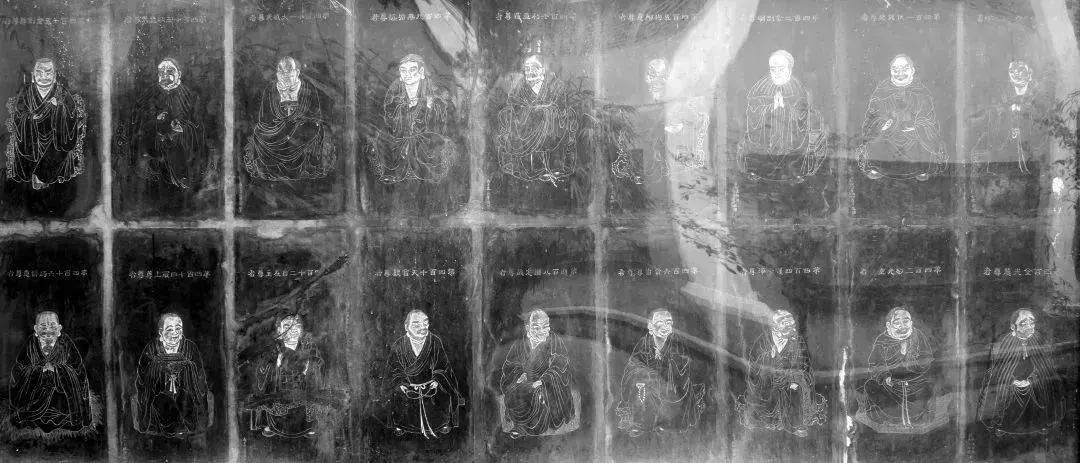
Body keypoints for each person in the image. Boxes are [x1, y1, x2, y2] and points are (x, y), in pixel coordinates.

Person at [6, 311, 99, 439]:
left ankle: (67, 417)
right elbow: (20, 369)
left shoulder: (66, 343)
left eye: (52, 326)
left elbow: (77, 369)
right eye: (43, 327)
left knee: (63, 398)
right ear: (36, 329)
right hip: (36, 395)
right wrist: (38, 371)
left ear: (59, 329)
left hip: (61, 398)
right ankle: (32, 415)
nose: (48, 331)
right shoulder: (31, 344)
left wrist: (58, 370)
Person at [738, 50, 827, 183]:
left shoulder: (799, 90)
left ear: (789, 69)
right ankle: (757, 170)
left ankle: (795, 173)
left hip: (792, 140)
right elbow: (752, 113)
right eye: (773, 69)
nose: (777, 73)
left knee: (799, 151)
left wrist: (786, 108)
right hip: (764, 139)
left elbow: (804, 115)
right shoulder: (759, 89)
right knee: (753, 150)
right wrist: (771, 108)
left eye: (781, 69)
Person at [615, 309, 705, 437]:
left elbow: (683, 365)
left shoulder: (677, 343)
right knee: (643, 386)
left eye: (668, 323)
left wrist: (666, 363)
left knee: (664, 390)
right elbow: (633, 367)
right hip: (650, 384)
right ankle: (643, 424)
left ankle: (667, 424)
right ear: (650, 326)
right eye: (659, 323)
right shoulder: (644, 343)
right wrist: (645, 373)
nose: (664, 327)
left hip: (671, 385)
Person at [736, 309, 826, 437]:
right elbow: (754, 366)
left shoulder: (797, 341)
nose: (791, 330)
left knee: (794, 388)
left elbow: (804, 364)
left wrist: (793, 377)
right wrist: (770, 358)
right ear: (775, 327)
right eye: (786, 327)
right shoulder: (763, 341)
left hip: (792, 379)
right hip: (768, 381)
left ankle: (794, 425)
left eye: (792, 326)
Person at [243, 56, 335, 180]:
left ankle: (306, 168)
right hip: (277, 129)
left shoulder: (308, 89)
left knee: (315, 128)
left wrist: (298, 121)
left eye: (289, 73)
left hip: (300, 128)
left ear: (297, 72)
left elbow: (315, 115)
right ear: (277, 74)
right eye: (282, 73)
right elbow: (264, 117)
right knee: (259, 131)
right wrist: (282, 123)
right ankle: (271, 169)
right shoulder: (270, 89)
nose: (285, 76)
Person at [857, 54, 947, 181]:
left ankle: (921, 169)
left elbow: (928, 118)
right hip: (888, 135)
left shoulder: (921, 93)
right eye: (896, 69)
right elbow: (872, 117)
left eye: (905, 69)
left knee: (923, 141)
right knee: (874, 141)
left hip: (913, 135)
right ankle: (877, 167)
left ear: (912, 70)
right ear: (890, 71)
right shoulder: (882, 92)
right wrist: (882, 125)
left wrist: (916, 127)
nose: (900, 73)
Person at [369, 54, 456, 183]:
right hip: (401, 134)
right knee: (384, 139)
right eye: (403, 70)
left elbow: (439, 119)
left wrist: (428, 106)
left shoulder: (432, 92)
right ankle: (392, 171)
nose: (407, 74)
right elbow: (389, 115)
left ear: (421, 72)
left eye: (412, 70)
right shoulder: (395, 92)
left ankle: (427, 172)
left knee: (431, 143)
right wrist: (404, 107)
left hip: (424, 136)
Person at [245, 315, 336, 438]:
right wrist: (276, 363)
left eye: (297, 326)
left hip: (302, 393)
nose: (293, 330)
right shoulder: (274, 350)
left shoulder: (308, 348)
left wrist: (309, 366)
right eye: (288, 326)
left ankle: (309, 424)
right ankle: (269, 424)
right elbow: (262, 373)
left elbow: (318, 368)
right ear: (280, 331)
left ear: (301, 329)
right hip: (279, 394)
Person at [977, 309, 1064, 436]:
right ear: (1013, 327)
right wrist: (1012, 380)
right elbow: (1001, 369)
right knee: (1003, 391)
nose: (1029, 326)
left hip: (1036, 380)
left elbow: (1045, 366)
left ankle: (1042, 423)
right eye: (1023, 323)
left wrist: (1032, 380)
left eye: (1032, 322)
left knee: (1044, 386)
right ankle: (1002, 425)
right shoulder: (1007, 341)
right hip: (1011, 382)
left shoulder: (1039, 339)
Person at [495, 54, 579, 185]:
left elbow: (561, 106)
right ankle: (528, 168)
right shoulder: (520, 86)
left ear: (542, 70)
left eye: (534, 67)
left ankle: (552, 167)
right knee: (511, 117)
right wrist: (530, 111)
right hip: (525, 125)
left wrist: (544, 111)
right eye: (527, 68)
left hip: (551, 125)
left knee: (551, 118)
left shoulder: (555, 85)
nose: (530, 71)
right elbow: (513, 103)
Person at [126, 58, 208, 189]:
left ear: (179, 74)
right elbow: (138, 120)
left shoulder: (190, 96)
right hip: (154, 147)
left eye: (169, 71)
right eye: (161, 72)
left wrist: (182, 127)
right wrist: (155, 120)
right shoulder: (149, 93)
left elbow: (197, 125)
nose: (164, 75)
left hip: (181, 147)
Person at [5, 58, 87, 190]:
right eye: (40, 73)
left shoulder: (62, 93)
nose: (44, 77)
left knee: (58, 146)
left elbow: (72, 116)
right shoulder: (26, 92)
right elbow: (19, 115)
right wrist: (31, 118)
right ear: (33, 75)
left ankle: (43, 178)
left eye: (48, 73)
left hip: (56, 139)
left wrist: (59, 108)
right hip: (31, 138)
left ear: (55, 76)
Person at [856, 307, 940, 432]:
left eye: (906, 321)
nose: (903, 326)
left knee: (931, 386)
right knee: (870, 386)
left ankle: (919, 417)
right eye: (897, 322)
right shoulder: (882, 340)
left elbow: (926, 360)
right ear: (889, 325)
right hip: (891, 386)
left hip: (915, 385)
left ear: (911, 322)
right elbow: (875, 363)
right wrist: (885, 376)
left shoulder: (918, 336)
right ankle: (889, 418)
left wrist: (909, 359)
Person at [384, 310, 464, 438]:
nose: (422, 327)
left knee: (443, 390)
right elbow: (394, 370)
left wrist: (436, 380)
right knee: (397, 394)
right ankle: (401, 425)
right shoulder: (399, 345)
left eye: (425, 323)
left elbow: (442, 366)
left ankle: (442, 423)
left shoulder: (434, 341)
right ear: (406, 326)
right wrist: (401, 383)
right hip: (408, 387)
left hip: (431, 386)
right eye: (416, 324)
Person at [499, 309, 575, 438]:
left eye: (545, 326)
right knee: (516, 391)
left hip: (546, 383)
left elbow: (560, 365)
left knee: (537, 393)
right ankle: (519, 425)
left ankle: (534, 427)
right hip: (525, 381)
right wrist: (519, 376)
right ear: (528, 327)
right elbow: (510, 366)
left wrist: (544, 380)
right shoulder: (519, 344)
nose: (541, 331)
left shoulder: (554, 341)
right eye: (537, 327)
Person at [133, 313, 211, 438]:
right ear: (161, 332)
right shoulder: (152, 348)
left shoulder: (190, 347)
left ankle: (187, 424)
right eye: (170, 329)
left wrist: (187, 368)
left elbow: (199, 377)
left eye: (178, 328)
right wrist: (156, 368)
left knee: (185, 400)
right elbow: (143, 377)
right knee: (162, 402)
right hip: (159, 395)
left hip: (185, 395)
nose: (175, 333)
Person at [970, 61, 1047, 175]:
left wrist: (1024, 115)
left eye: (1020, 70)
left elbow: (1040, 135)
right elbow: (994, 136)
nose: (1016, 74)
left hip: (1029, 160)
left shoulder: (1039, 100)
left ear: (1030, 73)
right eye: (1012, 71)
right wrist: (1007, 113)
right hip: (1004, 160)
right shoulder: (1001, 99)